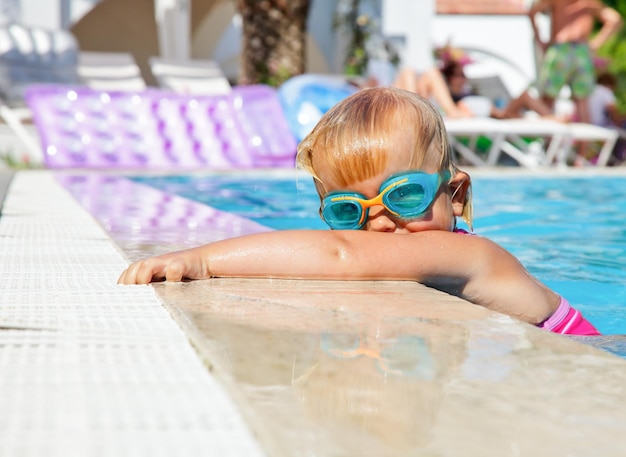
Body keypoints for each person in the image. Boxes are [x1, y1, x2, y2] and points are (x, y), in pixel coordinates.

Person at [118, 87, 600, 336]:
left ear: (454, 195)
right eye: (350, 210)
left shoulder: (473, 258)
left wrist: (203, 261)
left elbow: (339, 256)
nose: (380, 223)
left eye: (404, 195)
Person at [528, 0, 623, 123]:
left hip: (562, 48)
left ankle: (547, 139)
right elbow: (615, 20)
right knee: (582, 102)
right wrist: (596, 44)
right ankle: (583, 142)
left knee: (548, 99)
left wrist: (539, 39)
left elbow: (532, 11)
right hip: (582, 51)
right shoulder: (588, 2)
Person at [440, 60, 564, 120]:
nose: (463, 79)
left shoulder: (467, 92)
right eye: (459, 76)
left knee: (525, 99)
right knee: (525, 96)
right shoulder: (451, 98)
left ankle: (549, 117)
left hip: (497, 114)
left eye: (464, 75)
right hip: (496, 117)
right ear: (450, 78)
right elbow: (464, 112)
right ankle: (550, 117)